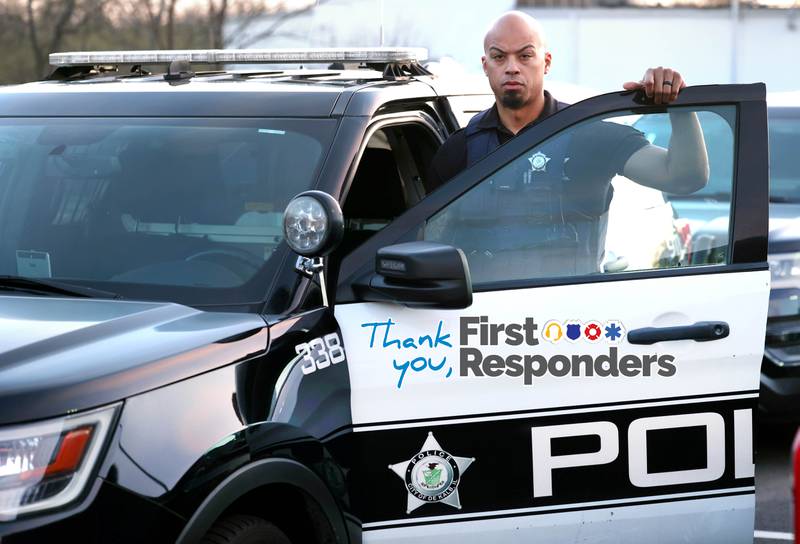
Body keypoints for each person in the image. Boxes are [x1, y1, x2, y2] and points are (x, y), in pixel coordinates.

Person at [426, 10, 709, 280]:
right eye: (499, 57)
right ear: (486, 65)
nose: (512, 67)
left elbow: (684, 177)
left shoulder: (590, 136)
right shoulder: (458, 151)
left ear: (546, 62)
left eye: (525, 55)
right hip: (487, 320)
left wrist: (680, 106)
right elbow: (426, 247)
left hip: (569, 317)